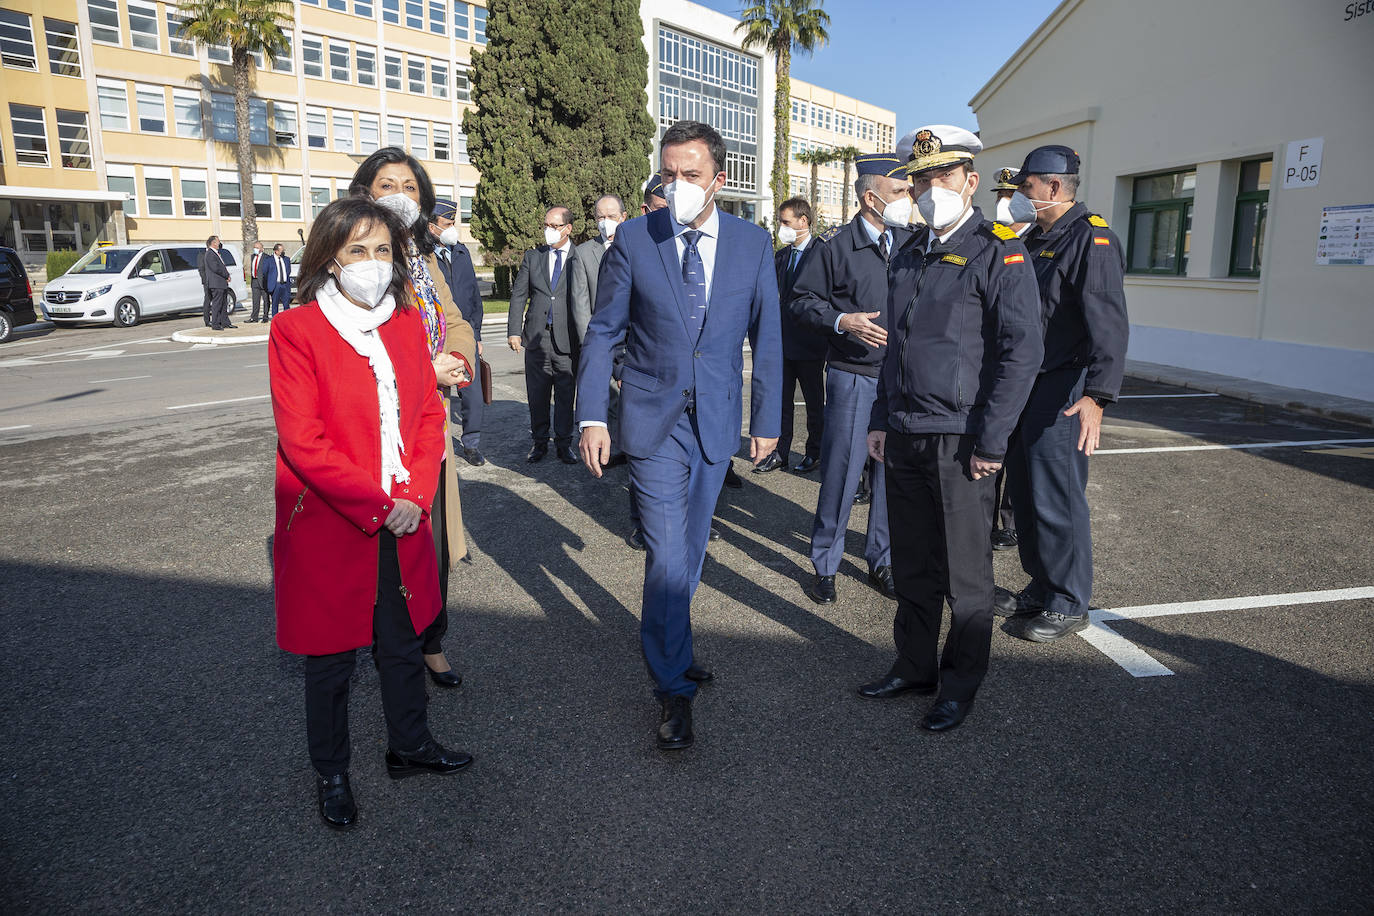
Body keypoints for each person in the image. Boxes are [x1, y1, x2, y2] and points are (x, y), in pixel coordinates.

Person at [269, 196, 474, 831]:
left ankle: (408, 747)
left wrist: (413, 496)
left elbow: (427, 416)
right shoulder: (295, 330)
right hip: (336, 521)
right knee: (330, 660)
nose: (372, 263)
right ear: (331, 258)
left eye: (383, 250)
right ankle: (331, 772)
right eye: (357, 250)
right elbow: (304, 443)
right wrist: (383, 505)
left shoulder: (409, 326)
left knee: (403, 641)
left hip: (404, 514)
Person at [576, 120, 782, 751]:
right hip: (651, 420)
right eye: (669, 175)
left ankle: (676, 644)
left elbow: (767, 336)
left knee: (691, 552)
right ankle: (671, 688)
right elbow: (605, 331)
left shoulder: (751, 243)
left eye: (691, 175)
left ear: (719, 179)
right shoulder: (636, 239)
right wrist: (590, 416)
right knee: (666, 556)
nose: (678, 186)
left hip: (716, 420)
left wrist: (768, 422)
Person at [862, 125, 1043, 733]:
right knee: (913, 565)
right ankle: (914, 666)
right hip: (908, 428)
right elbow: (896, 344)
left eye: (942, 177)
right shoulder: (909, 250)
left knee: (967, 576)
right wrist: (882, 418)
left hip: (963, 436)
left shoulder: (999, 249)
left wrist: (994, 440)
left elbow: (1021, 351)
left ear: (970, 181)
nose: (930, 188)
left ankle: (959, 685)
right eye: (921, 179)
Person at [348, 147, 478, 691]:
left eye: (409, 186)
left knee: (433, 542)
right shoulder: (357, 260)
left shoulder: (424, 261)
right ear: (364, 194)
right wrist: (427, 368)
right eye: (386, 185)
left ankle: (430, 641)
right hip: (380, 430)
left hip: (431, 423)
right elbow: (355, 344)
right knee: (391, 544)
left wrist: (457, 359)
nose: (399, 195)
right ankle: (392, 648)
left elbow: (454, 319)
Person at [994, 145, 1129, 642]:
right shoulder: (1036, 238)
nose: (1019, 198)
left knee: (1058, 496)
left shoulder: (1092, 240)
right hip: (1028, 383)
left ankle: (1070, 600)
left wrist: (1097, 395)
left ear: (1053, 187)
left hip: (1066, 387)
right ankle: (1043, 583)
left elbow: (1109, 326)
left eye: (1026, 188)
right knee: (1026, 495)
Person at [791, 154, 912, 605]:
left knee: (890, 475)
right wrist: (843, 320)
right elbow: (802, 301)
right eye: (900, 192)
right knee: (842, 471)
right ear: (871, 197)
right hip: (853, 375)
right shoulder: (834, 246)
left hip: (897, 378)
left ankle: (881, 559)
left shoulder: (909, 241)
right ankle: (825, 562)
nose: (908, 200)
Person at [757, 197, 826, 475]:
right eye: (779, 222)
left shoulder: (822, 252)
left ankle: (815, 452)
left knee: (813, 404)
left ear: (803, 221)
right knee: (782, 402)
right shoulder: (782, 256)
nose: (781, 227)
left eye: (785, 222)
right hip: (783, 344)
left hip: (810, 344)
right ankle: (780, 452)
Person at [509, 206, 579, 465]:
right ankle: (539, 443)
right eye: (546, 225)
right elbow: (519, 295)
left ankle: (564, 444)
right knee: (537, 394)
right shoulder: (533, 257)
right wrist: (514, 331)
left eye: (554, 225)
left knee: (564, 394)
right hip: (537, 337)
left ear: (568, 228)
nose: (548, 230)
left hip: (567, 338)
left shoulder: (578, 257)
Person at [988, 166, 1030, 551]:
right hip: (991, 365)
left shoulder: (1040, 242)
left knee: (1016, 453)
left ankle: (1010, 521)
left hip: (1027, 369)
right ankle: (987, 518)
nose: (1003, 204)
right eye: (999, 197)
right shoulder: (992, 242)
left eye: (1010, 197)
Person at [570, 194, 629, 465]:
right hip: (601, 340)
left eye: (611, 217)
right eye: (600, 218)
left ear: (624, 217)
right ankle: (613, 446)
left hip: (631, 341)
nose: (606, 223)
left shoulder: (635, 247)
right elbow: (581, 304)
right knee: (609, 398)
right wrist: (593, 348)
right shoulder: (584, 253)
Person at [430, 198, 487, 467]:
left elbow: (475, 298)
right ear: (431, 227)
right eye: (447, 224)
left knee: (472, 395)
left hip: (465, 336)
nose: (453, 229)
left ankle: (471, 443)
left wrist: (476, 336)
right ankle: (435, 446)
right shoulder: (423, 257)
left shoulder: (461, 252)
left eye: (454, 223)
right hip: (437, 339)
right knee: (438, 397)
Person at [204, 236, 234, 330]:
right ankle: (215, 324)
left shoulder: (216, 253)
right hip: (216, 283)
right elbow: (215, 268)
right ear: (213, 243)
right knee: (217, 304)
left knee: (224, 303)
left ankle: (225, 322)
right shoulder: (210, 254)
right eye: (218, 242)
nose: (219, 243)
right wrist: (226, 275)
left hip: (221, 283)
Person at [264, 243, 292, 320]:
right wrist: (271, 281)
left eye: (283, 250)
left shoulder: (286, 259)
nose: (283, 252)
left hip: (285, 285)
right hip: (275, 285)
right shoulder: (269, 260)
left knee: (286, 304)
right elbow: (265, 272)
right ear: (276, 251)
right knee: (275, 303)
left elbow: (288, 271)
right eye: (281, 251)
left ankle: (287, 319)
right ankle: (275, 319)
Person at [247, 241, 269, 323]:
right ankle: (254, 317)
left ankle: (265, 316)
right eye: (254, 247)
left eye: (257, 247)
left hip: (263, 281)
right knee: (255, 300)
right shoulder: (253, 256)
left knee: (265, 300)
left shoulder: (266, 257)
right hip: (254, 280)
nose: (255, 249)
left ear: (261, 249)